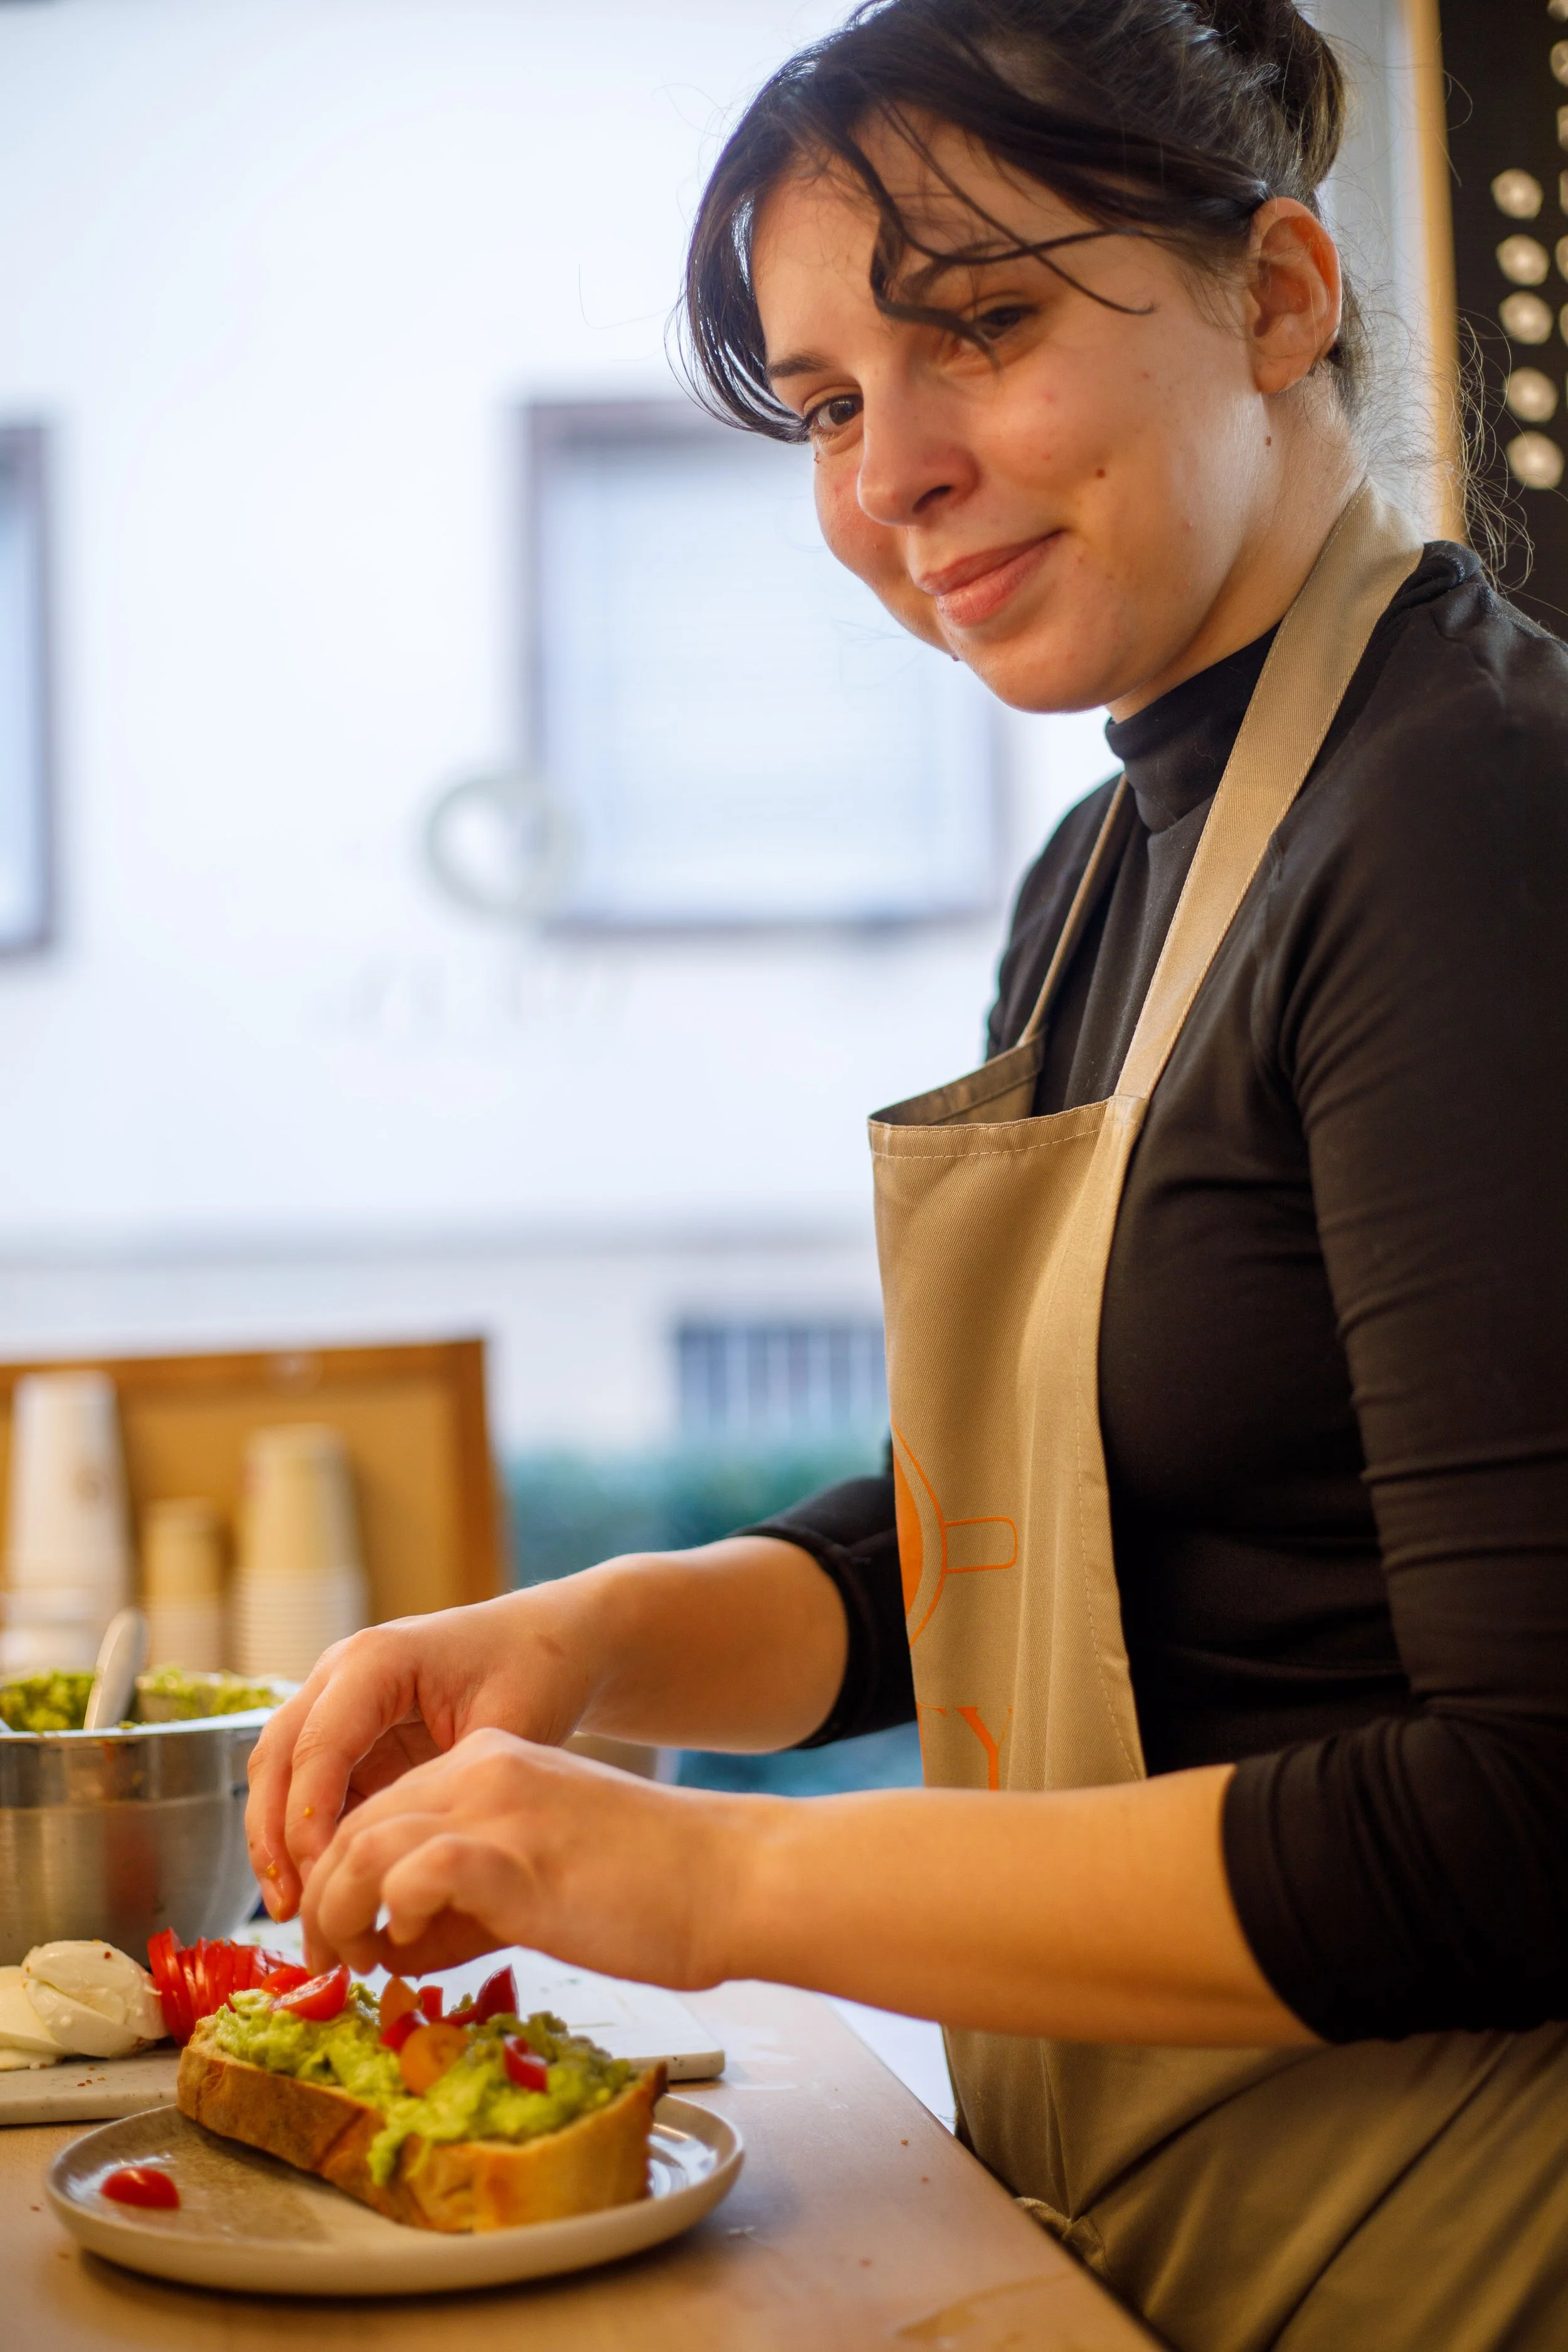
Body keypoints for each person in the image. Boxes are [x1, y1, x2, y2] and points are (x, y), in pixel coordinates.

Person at [245, 4, 1568, 2343]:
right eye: (832, 402)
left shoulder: (1466, 821)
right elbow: (1030, 1534)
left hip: (1459, 2215)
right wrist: (589, 1641)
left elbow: (1526, 1820)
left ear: (1277, 295)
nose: (893, 478)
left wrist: (718, 1873)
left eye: (984, 324)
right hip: (1171, 2209)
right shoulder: (1096, 866)